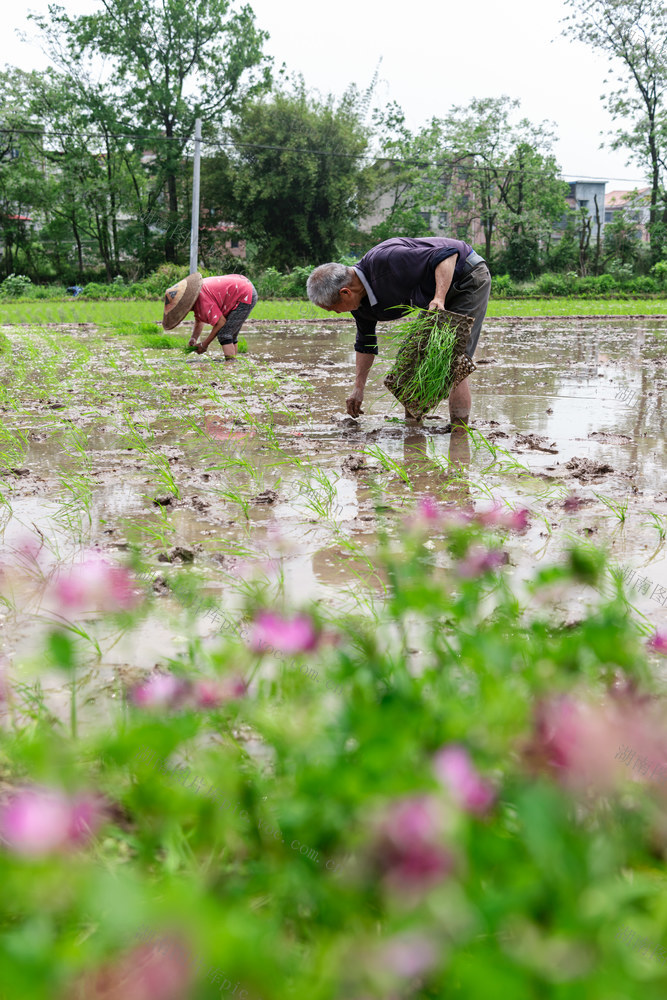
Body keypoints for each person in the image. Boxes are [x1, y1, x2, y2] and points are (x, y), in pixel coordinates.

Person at [306, 237, 491, 422]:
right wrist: (358, 388)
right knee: (414, 358)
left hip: (466, 276)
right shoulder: (361, 306)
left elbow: (448, 254)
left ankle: (459, 434)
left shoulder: (387, 260)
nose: (337, 313)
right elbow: (365, 343)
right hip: (434, 292)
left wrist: (439, 298)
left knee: (453, 359)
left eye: (334, 308)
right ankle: (413, 428)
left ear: (345, 292)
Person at [162, 272, 258, 360]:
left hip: (244, 293)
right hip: (243, 286)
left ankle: (230, 366)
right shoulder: (197, 295)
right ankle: (235, 364)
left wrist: (205, 344)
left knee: (224, 335)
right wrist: (194, 338)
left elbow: (221, 322)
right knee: (230, 334)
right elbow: (199, 320)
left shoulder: (202, 300)